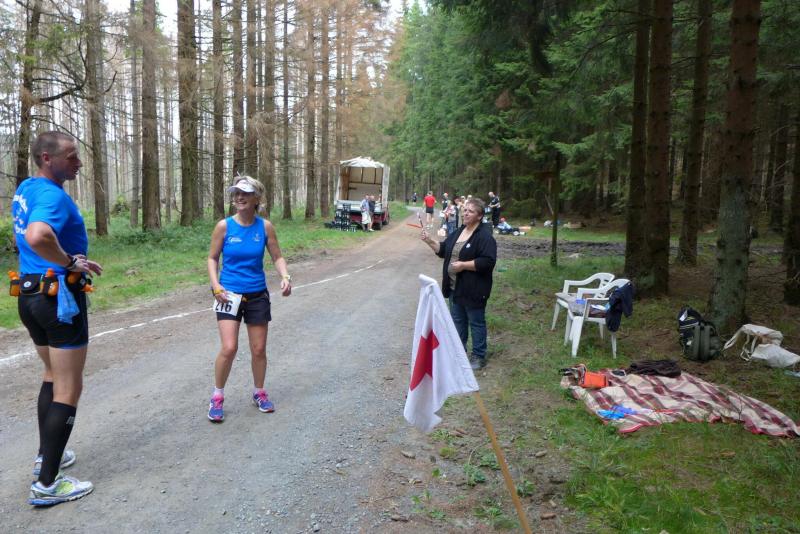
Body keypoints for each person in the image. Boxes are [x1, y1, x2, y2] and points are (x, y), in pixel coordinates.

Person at [12, 131, 103, 506]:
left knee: (52, 376)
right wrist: (69, 262)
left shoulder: (28, 188)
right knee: (69, 387)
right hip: (58, 299)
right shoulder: (52, 196)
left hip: (29, 294)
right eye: (71, 156)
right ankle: (47, 484)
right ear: (47, 158)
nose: (78, 162)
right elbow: (37, 235)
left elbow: (29, 236)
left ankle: (46, 456)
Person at [207, 176, 292, 422]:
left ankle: (259, 392)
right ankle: (217, 396)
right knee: (229, 347)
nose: (239, 197)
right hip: (228, 295)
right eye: (236, 193)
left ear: (257, 198)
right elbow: (212, 258)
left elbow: (277, 256)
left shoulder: (265, 227)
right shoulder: (224, 226)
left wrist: (285, 276)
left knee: (259, 349)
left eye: (245, 193)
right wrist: (215, 285)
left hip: (257, 294)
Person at [420, 198, 497, 370]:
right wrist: (429, 241)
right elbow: (443, 250)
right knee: (457, 321)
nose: (465, 213)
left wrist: (463, 265)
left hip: (474, 289)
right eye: (465, 210)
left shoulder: (484, 237)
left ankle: (478, 356)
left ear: (479, 216)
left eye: (470, 211)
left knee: (476, 322)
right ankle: (458, 352)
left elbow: (488, 262)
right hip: (455, 288)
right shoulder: (459, 231)